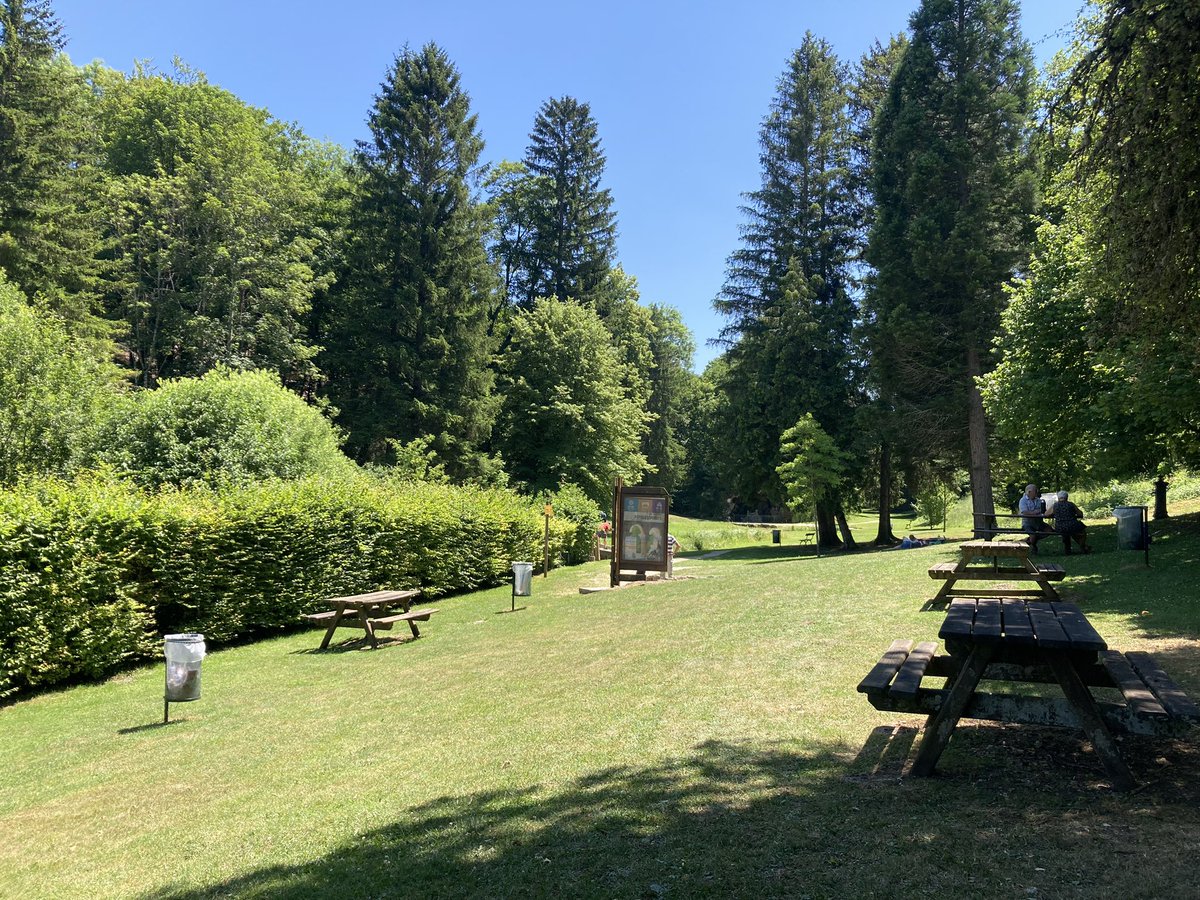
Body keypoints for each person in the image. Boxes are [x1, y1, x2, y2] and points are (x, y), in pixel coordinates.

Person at [1018, 483, 1052, 552]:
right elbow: (1024, 512)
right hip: (1028, 523)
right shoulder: (1023, 500)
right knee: (1033, 535)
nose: (1037, 492)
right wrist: (1035, 512)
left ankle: (1030, 541)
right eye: (1035, 491)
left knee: (1050, 531)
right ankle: (1033, 545)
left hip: (1039, 522)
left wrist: (1036, 512)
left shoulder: (1039, 500)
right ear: (1029, 492)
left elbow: (1043, 510)